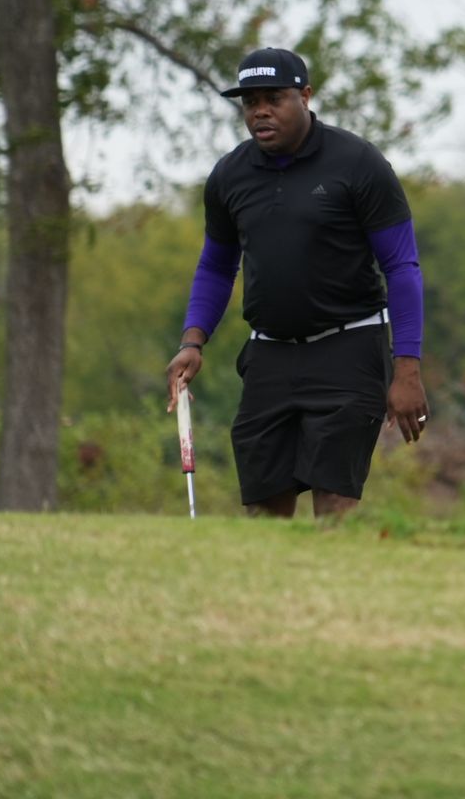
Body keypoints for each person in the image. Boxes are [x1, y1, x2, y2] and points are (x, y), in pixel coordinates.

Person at [164, 48, 429, 518]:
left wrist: (406, 369)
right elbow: (216, 266)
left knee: (334, 506)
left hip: (349, 352)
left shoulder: (358, 163)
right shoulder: (230, 175)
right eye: (250, 102)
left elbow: (402, 267)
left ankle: (332, 593)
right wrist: (193, 340)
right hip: (269, 356)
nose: (260, 111)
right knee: (264, 511)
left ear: (305, 96)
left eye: (273, 98)